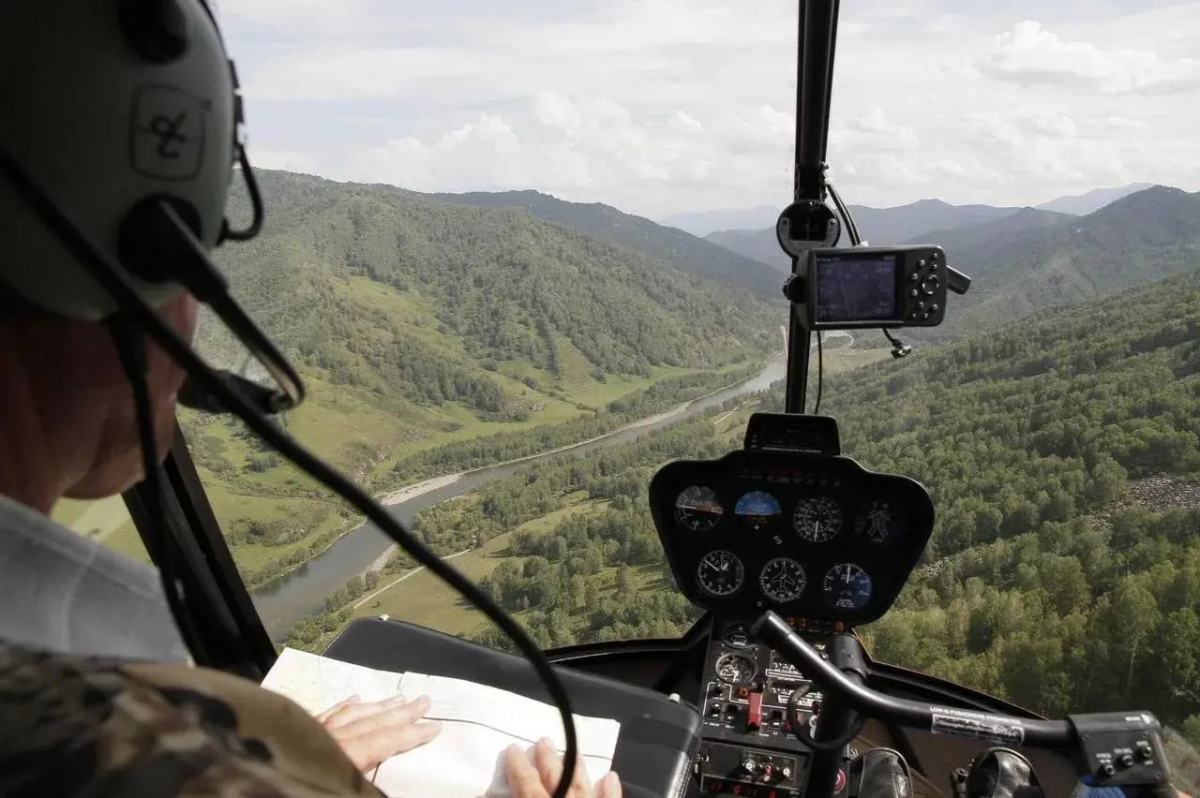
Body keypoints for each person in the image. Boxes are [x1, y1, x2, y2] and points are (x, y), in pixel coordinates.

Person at [0, 290, 620, 797]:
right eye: (178, 267)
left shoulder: (88, 730)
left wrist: (269, 769)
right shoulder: (106, 747)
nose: (189, 320)